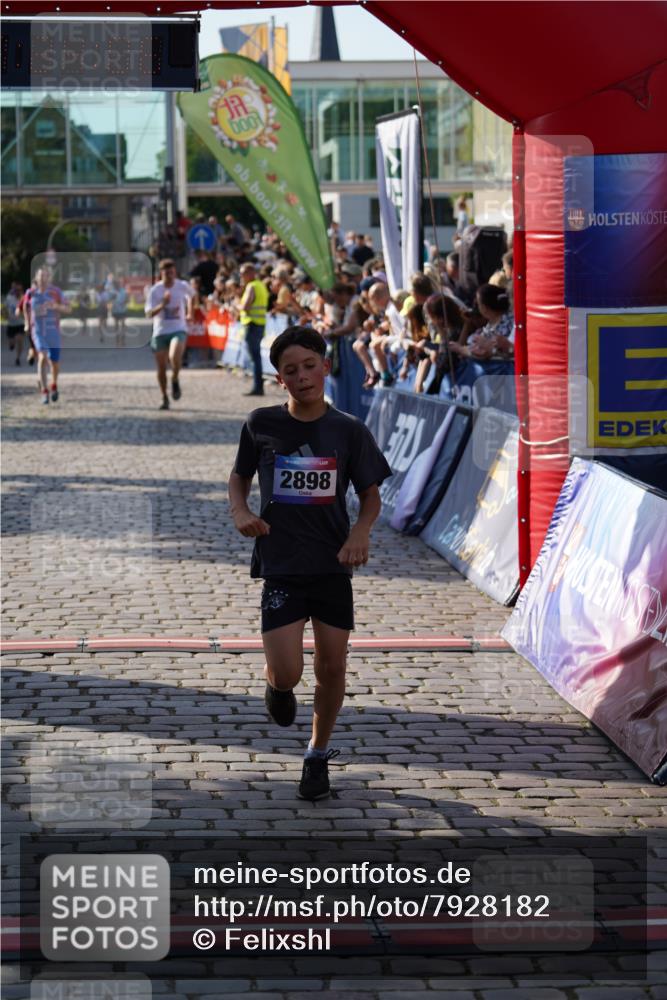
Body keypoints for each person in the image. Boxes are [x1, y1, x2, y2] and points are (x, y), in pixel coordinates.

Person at [228, 325, 392, 801]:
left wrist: (360, 533)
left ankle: (317, 756)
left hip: (331, 565)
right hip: (280, 562)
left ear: (325, 366)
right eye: (290, 371)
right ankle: (277, 689)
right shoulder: (260, 423)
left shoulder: (348, 430)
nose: (302, 377)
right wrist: (242, 512)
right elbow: (238, 478)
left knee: (332, 666)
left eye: (309, 366)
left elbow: (371, 498)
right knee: (288, 672)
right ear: (280, 379)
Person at [145, 258, 194, 410]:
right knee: (161, 368)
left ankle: (175, 379)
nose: (170, 276)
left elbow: (192, 296)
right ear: (162, 274)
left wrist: (190, 311)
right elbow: (148, 314)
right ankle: (164, 397)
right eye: (167, 273)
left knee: (174, 357)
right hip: (160, 332)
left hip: (178, 329)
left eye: (172, 272)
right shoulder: (155, 290)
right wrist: (163, 304)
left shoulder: (182, 285)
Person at [25, 267, 69, 404]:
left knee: (54, 363)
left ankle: (54, 384)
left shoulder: (56, 292)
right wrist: (27, 323)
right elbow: (25, 308)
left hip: (53, 332)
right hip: (37, 331)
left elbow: (68, 308)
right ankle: (44, 391)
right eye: (40, 276)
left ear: (49, 278)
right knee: (42, 357)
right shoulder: (30, 293)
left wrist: (55, 306)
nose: (43, 279)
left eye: (45, 276)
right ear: (36, 278)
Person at [238, 262, 269, 396]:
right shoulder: (261, 285)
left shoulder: (251, 286)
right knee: (256, 357)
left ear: (250, 273)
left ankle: (258, 387)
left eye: (243, 273)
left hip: (252, 324)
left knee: (255, 358)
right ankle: (258, 386)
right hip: (260, 324)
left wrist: (237, 306)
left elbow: (245, 306)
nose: (241, 276)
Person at [5, 282, 25, 365]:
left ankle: (18, 358)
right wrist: (5, 315)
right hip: (11, 324)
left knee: (19, 340)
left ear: (21, 291)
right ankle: (11, 345)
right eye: (16, 290)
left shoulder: (24, 298)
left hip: (20, 323)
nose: (17, 292)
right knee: (12, 343)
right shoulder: (9, 298)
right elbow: (5, 309)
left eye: (19, 290)